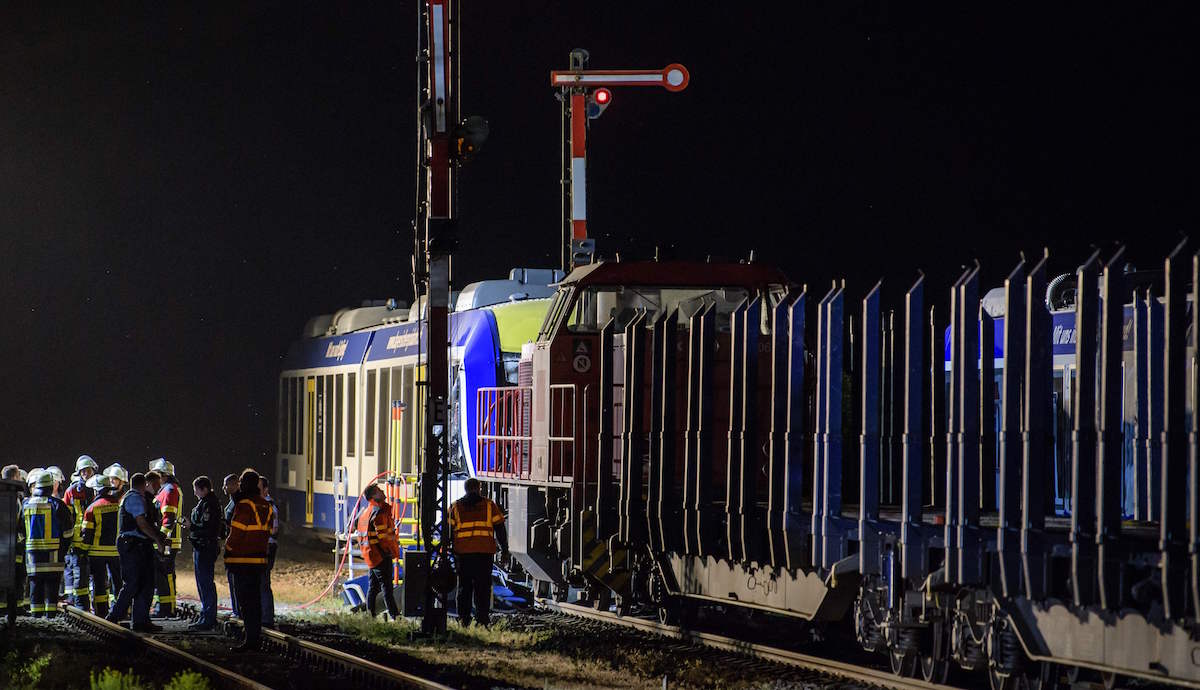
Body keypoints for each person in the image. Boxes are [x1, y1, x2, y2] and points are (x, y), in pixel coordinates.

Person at [106, 473, 168, 632]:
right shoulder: (134, 498)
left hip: (139, 545)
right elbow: (142, 523)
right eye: (155, 484)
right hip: (132, 545)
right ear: (146, 483)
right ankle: (114, 617)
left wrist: (158, 537)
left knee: (146, 583)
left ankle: (140, 621)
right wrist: (157, 539)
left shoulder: (141, 498)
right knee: (133, 583)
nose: (158, 488)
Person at [224, 469, 274, 651]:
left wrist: (227, 550)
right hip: (259, 561)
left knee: (245, 602)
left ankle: (250, 640)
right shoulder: (266, 506)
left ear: (245, 484)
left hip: (241, 561)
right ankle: (255, 637)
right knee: (255, 600)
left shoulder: (244, 505)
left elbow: (236, 533)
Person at [449, 477, 508, 627]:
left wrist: (448, 552)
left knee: (464, 588)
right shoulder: (489, 505)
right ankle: (482, 620)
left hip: (463, 554)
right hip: (484, 553)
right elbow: (500, 529)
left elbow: (448, 532)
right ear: (478, 488)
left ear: (465, 489)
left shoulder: (455, 507)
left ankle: (464, 620)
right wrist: (504, 550)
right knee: (482, 588)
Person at [19, 469, 74, 618]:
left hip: (33, 557)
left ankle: (36, 620)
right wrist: (63, 550)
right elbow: (68, 532)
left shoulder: (26, 504)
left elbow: (20, 532)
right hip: (54, 557)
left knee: (35, 587)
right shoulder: (58, 504)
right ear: (50, 487)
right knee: (52, 588)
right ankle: (50, 618)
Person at [80, 474, 122, 617]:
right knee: (118, 582)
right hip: (116, 552)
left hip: (96, 553)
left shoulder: (92, 508)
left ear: (96, 490)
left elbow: (87, 534)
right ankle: (121, 611)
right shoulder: (119, 505)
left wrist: (82, 551)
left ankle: (101, 612)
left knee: (99, 584)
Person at [357, 483, 400, 620]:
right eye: (378, 491)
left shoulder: (365, 513)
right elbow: (383, 538)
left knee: (373, 587)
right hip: (381, 556)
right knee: (387, 588)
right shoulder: (378, 512)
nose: (382, 491)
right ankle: (395, 616)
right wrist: (390, 551)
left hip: (372, 556)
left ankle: (370, 616)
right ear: (373, 496)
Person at [62, 455, 99, 609]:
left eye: (87, 470)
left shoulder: (99, 487)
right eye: (82, 471)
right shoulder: (72, 491)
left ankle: (98, 607)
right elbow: (66, 515)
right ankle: (82, 606)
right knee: (80, 575)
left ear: (93, 470)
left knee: (97, 575)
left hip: (97, 538)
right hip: (79, 539)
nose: (85, 473)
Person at [188, 475, 224, 631]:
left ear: (205, 489)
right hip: (201, 546)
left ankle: (208, 618)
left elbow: (207, 527)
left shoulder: (210, 504)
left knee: (205, 582)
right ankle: (206, 615)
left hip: (205, 547)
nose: (195, 493)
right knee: (202, 583)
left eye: (196, 489)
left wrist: (191, 526)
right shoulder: (205, 503)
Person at [149, 458, 183, 618]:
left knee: (166, 574)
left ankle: (167, 608)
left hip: (167, 541)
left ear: (164, 475)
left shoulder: (169, 490)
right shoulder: (167, 489)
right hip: (165, 540)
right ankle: (162, 606)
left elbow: (168, 518)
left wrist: (160, 538)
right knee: (162, 575)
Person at [1, 465, 28, 617]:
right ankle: (14, 610)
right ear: (15, 477)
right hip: (13, 546)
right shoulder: (14, 497)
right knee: (16, 578)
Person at [258, 476, 279, 628]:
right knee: (260, 582)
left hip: (267, 546)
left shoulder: (269, 506)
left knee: (263, 582)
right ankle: (263, 615)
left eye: (259, 488)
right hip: (262, 545)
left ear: (266, 490)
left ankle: (266, 617)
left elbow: (274, 530)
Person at [221, 473, 240, 615]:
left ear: (235, 485)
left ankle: (239, 610)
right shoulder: (232, 501)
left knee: (236, 581)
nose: (224, 487)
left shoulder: (238, 501)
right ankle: (236, 609)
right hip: (230, 544)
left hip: (236, 547)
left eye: (226, 484)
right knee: (232, 580)